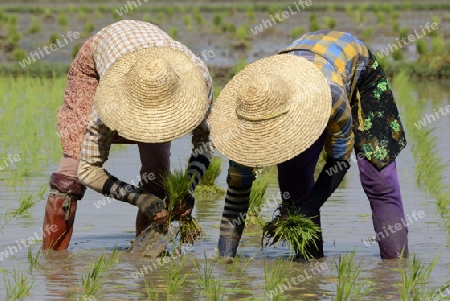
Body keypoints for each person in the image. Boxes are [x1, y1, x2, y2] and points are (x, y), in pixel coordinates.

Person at [210, 30, 408, 260]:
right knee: (293, 182)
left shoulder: (331, 96)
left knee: (379, 179)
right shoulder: (243, 126)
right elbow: (236, 196)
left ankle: (395, 270)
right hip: (300, 71)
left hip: (356, 70)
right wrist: (225, 258)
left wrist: (309, 207)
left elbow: (339, 161)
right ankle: (309, 265)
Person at [42, 20, 214, 251]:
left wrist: (187, 189)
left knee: (158, 173)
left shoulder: (198, 82)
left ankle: (144, 257)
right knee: (71, 172)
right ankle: (53, 261)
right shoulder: (110, 97)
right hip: (100, 60)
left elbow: (205, 143)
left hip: (158, 65)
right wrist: (138, 198)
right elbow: (88, 169)